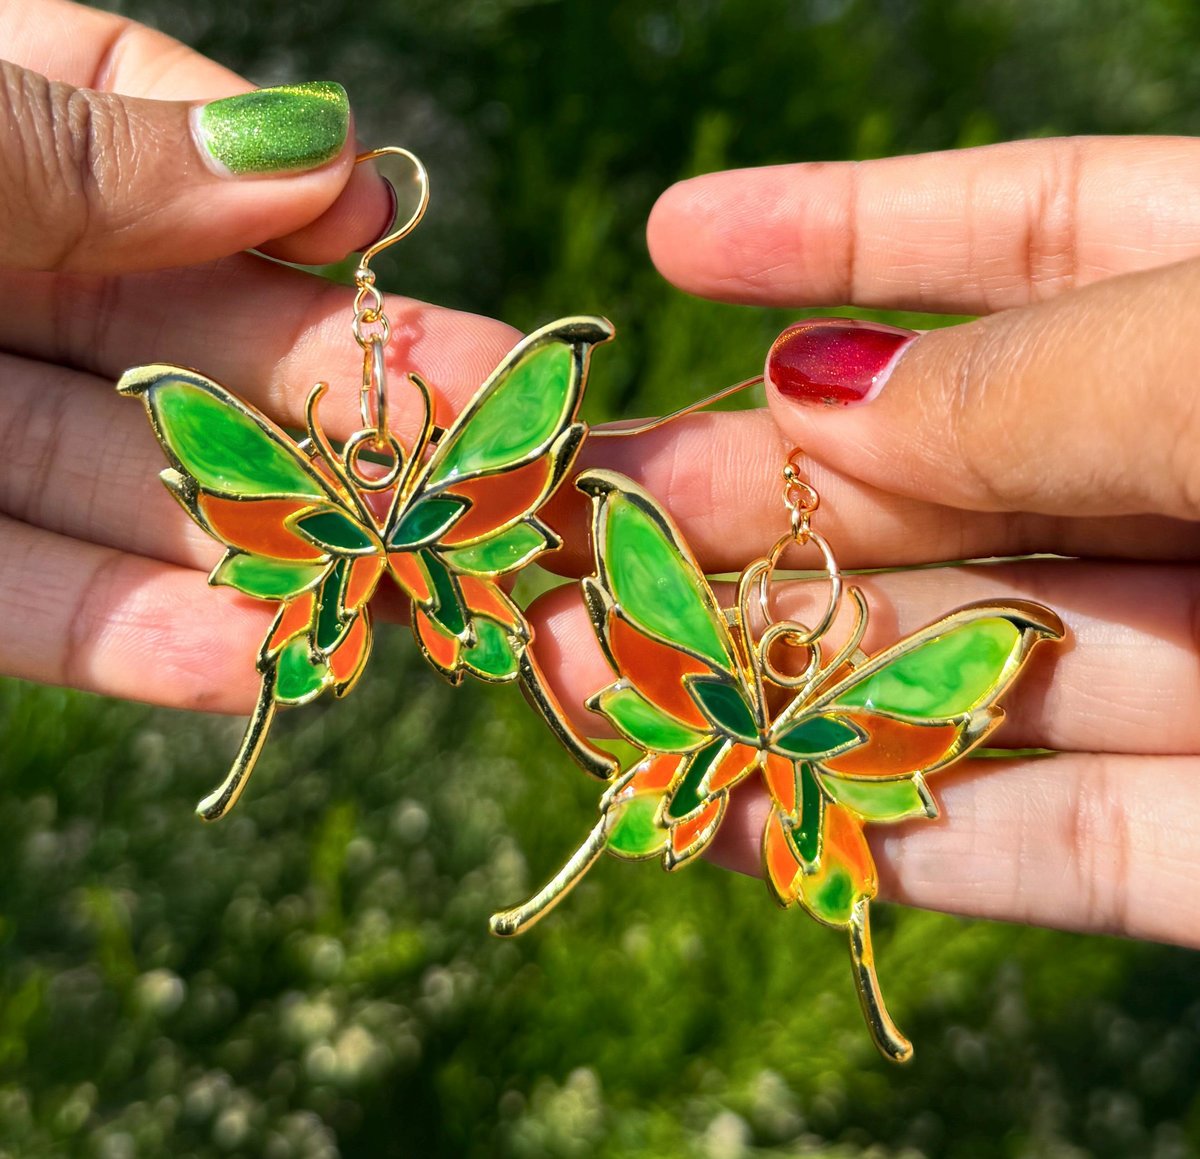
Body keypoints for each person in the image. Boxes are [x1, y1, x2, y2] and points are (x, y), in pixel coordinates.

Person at [4, 0, 1197, 952]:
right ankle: (398, 762)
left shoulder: (525, 512)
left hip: (576, 626)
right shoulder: (473, 483)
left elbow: (609, 507)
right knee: (494, 649)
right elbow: (582, 490)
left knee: (537, 665)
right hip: (489, 574)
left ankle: (643, 849)